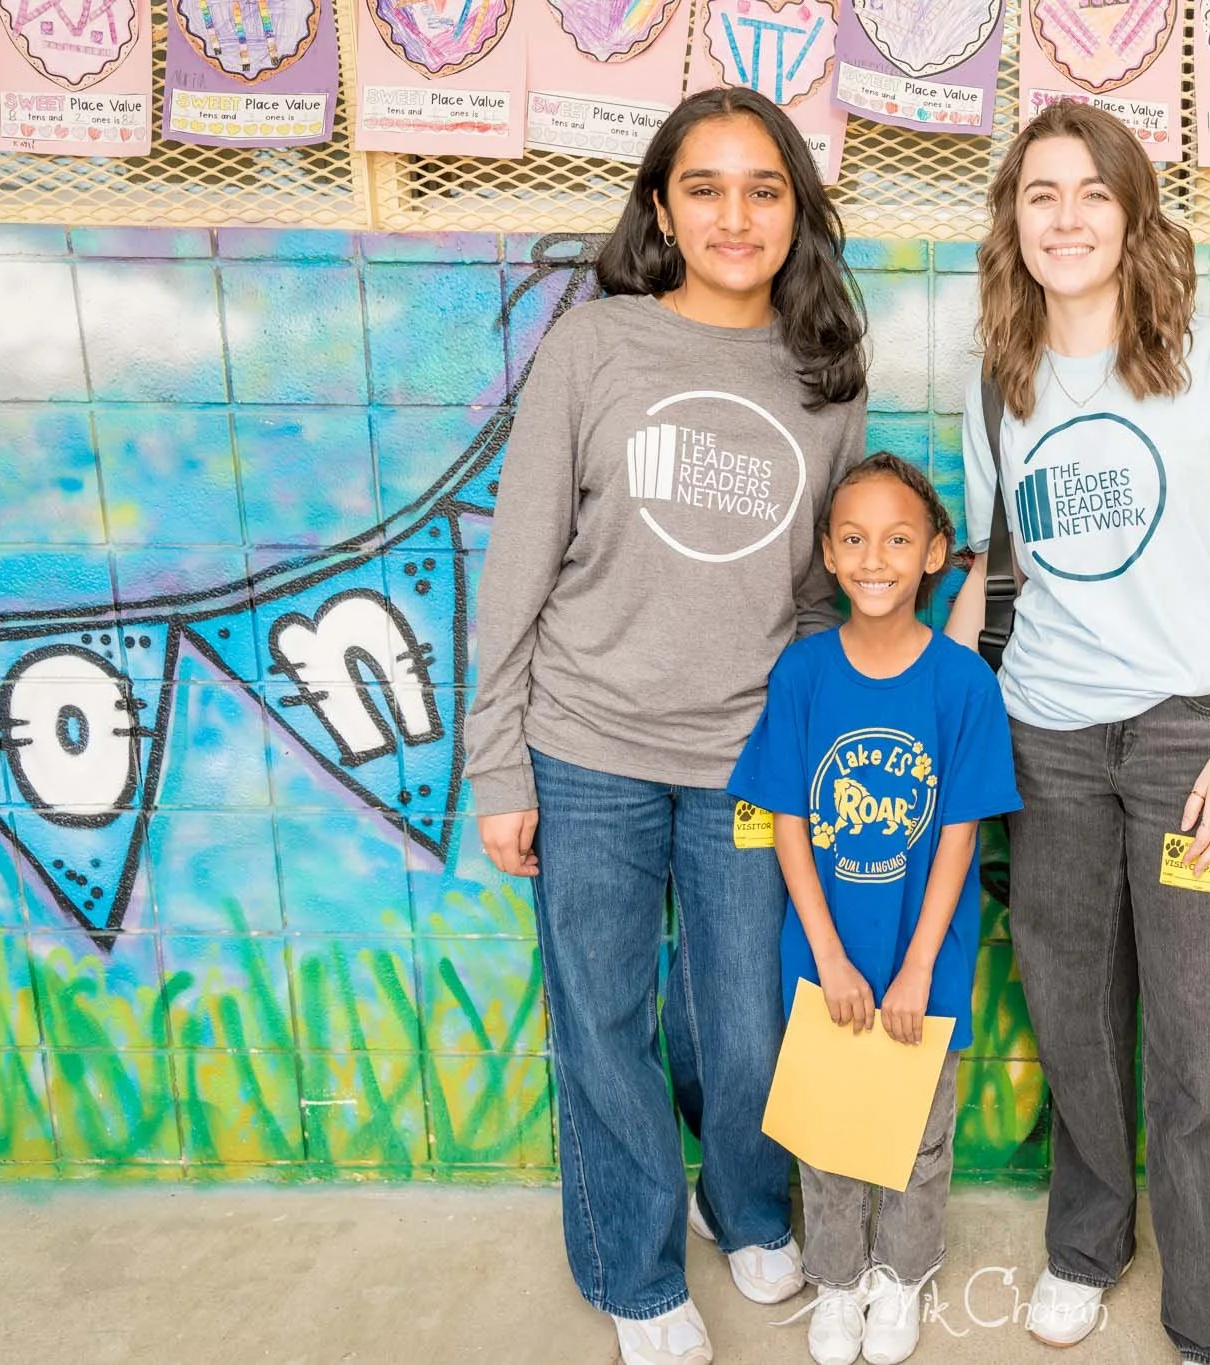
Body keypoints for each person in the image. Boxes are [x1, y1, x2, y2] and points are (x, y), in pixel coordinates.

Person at [464, 86, 868, 1365]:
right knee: (603, 1016)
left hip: (748, 756)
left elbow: (814, 595)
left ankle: (744, 1206)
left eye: (764, 189)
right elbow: (519, 562)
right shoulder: (597, 349)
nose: (734, 214)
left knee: (745, 1022)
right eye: (704, 187)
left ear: (796, 211)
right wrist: (495, 763)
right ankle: (633, 1271)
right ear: (660, 206)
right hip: (583, 748)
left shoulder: (823, 378)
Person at [946, 102, 1210, 1365]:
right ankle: (1086, 1242)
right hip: (1044, 741)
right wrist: (936, 705)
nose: (1064, 217)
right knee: (1073, 1016)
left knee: (1207, 1040)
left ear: (1132, 213)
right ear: (1013, 222)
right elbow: (995, 576)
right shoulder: (999, 380)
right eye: (1039, 194)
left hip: (1187, 739)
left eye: (1090, 193)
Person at [730, 454, 1021, 1365]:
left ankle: (900, 1277)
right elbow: (785, 818)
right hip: (826, 956)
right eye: (852, 538)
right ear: (826, 551)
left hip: (918, 958)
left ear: (936, 553)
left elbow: (960, 834)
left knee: (917, 1135)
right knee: (827, 1138)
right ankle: (840, 1282)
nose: (874, 557)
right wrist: (829, 953)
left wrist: (918, 963)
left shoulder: (963, 685)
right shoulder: (804, 673)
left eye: (899, 539)